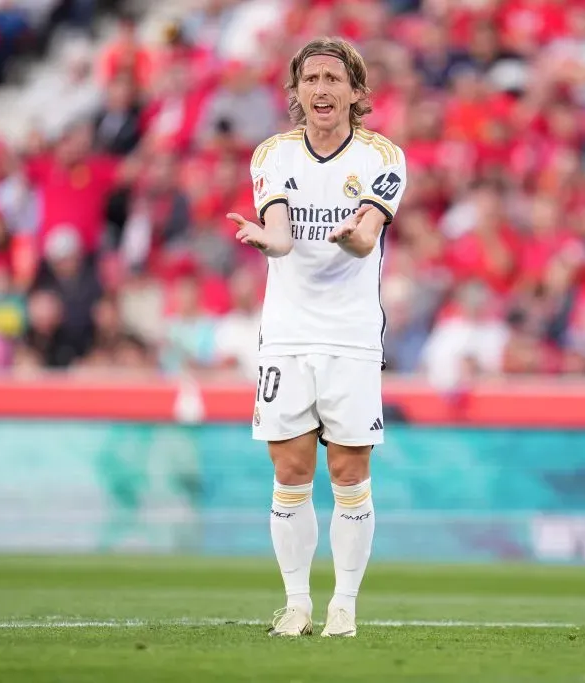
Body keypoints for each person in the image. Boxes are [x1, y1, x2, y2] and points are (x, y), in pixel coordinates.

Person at [226, 37, 407, 638]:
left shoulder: (383, 156)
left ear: (356, 92)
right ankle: (298, 601)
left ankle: (345, 606)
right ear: (297, 92)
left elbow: (367, 236)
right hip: (286, 333)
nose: (322, 89)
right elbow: (280, 235)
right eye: (311, 79)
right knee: (290, 469)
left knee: (350, 472)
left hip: (352, 335)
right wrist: (263, 239)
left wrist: (350, 237)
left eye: (334, 78)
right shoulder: (273, 155)